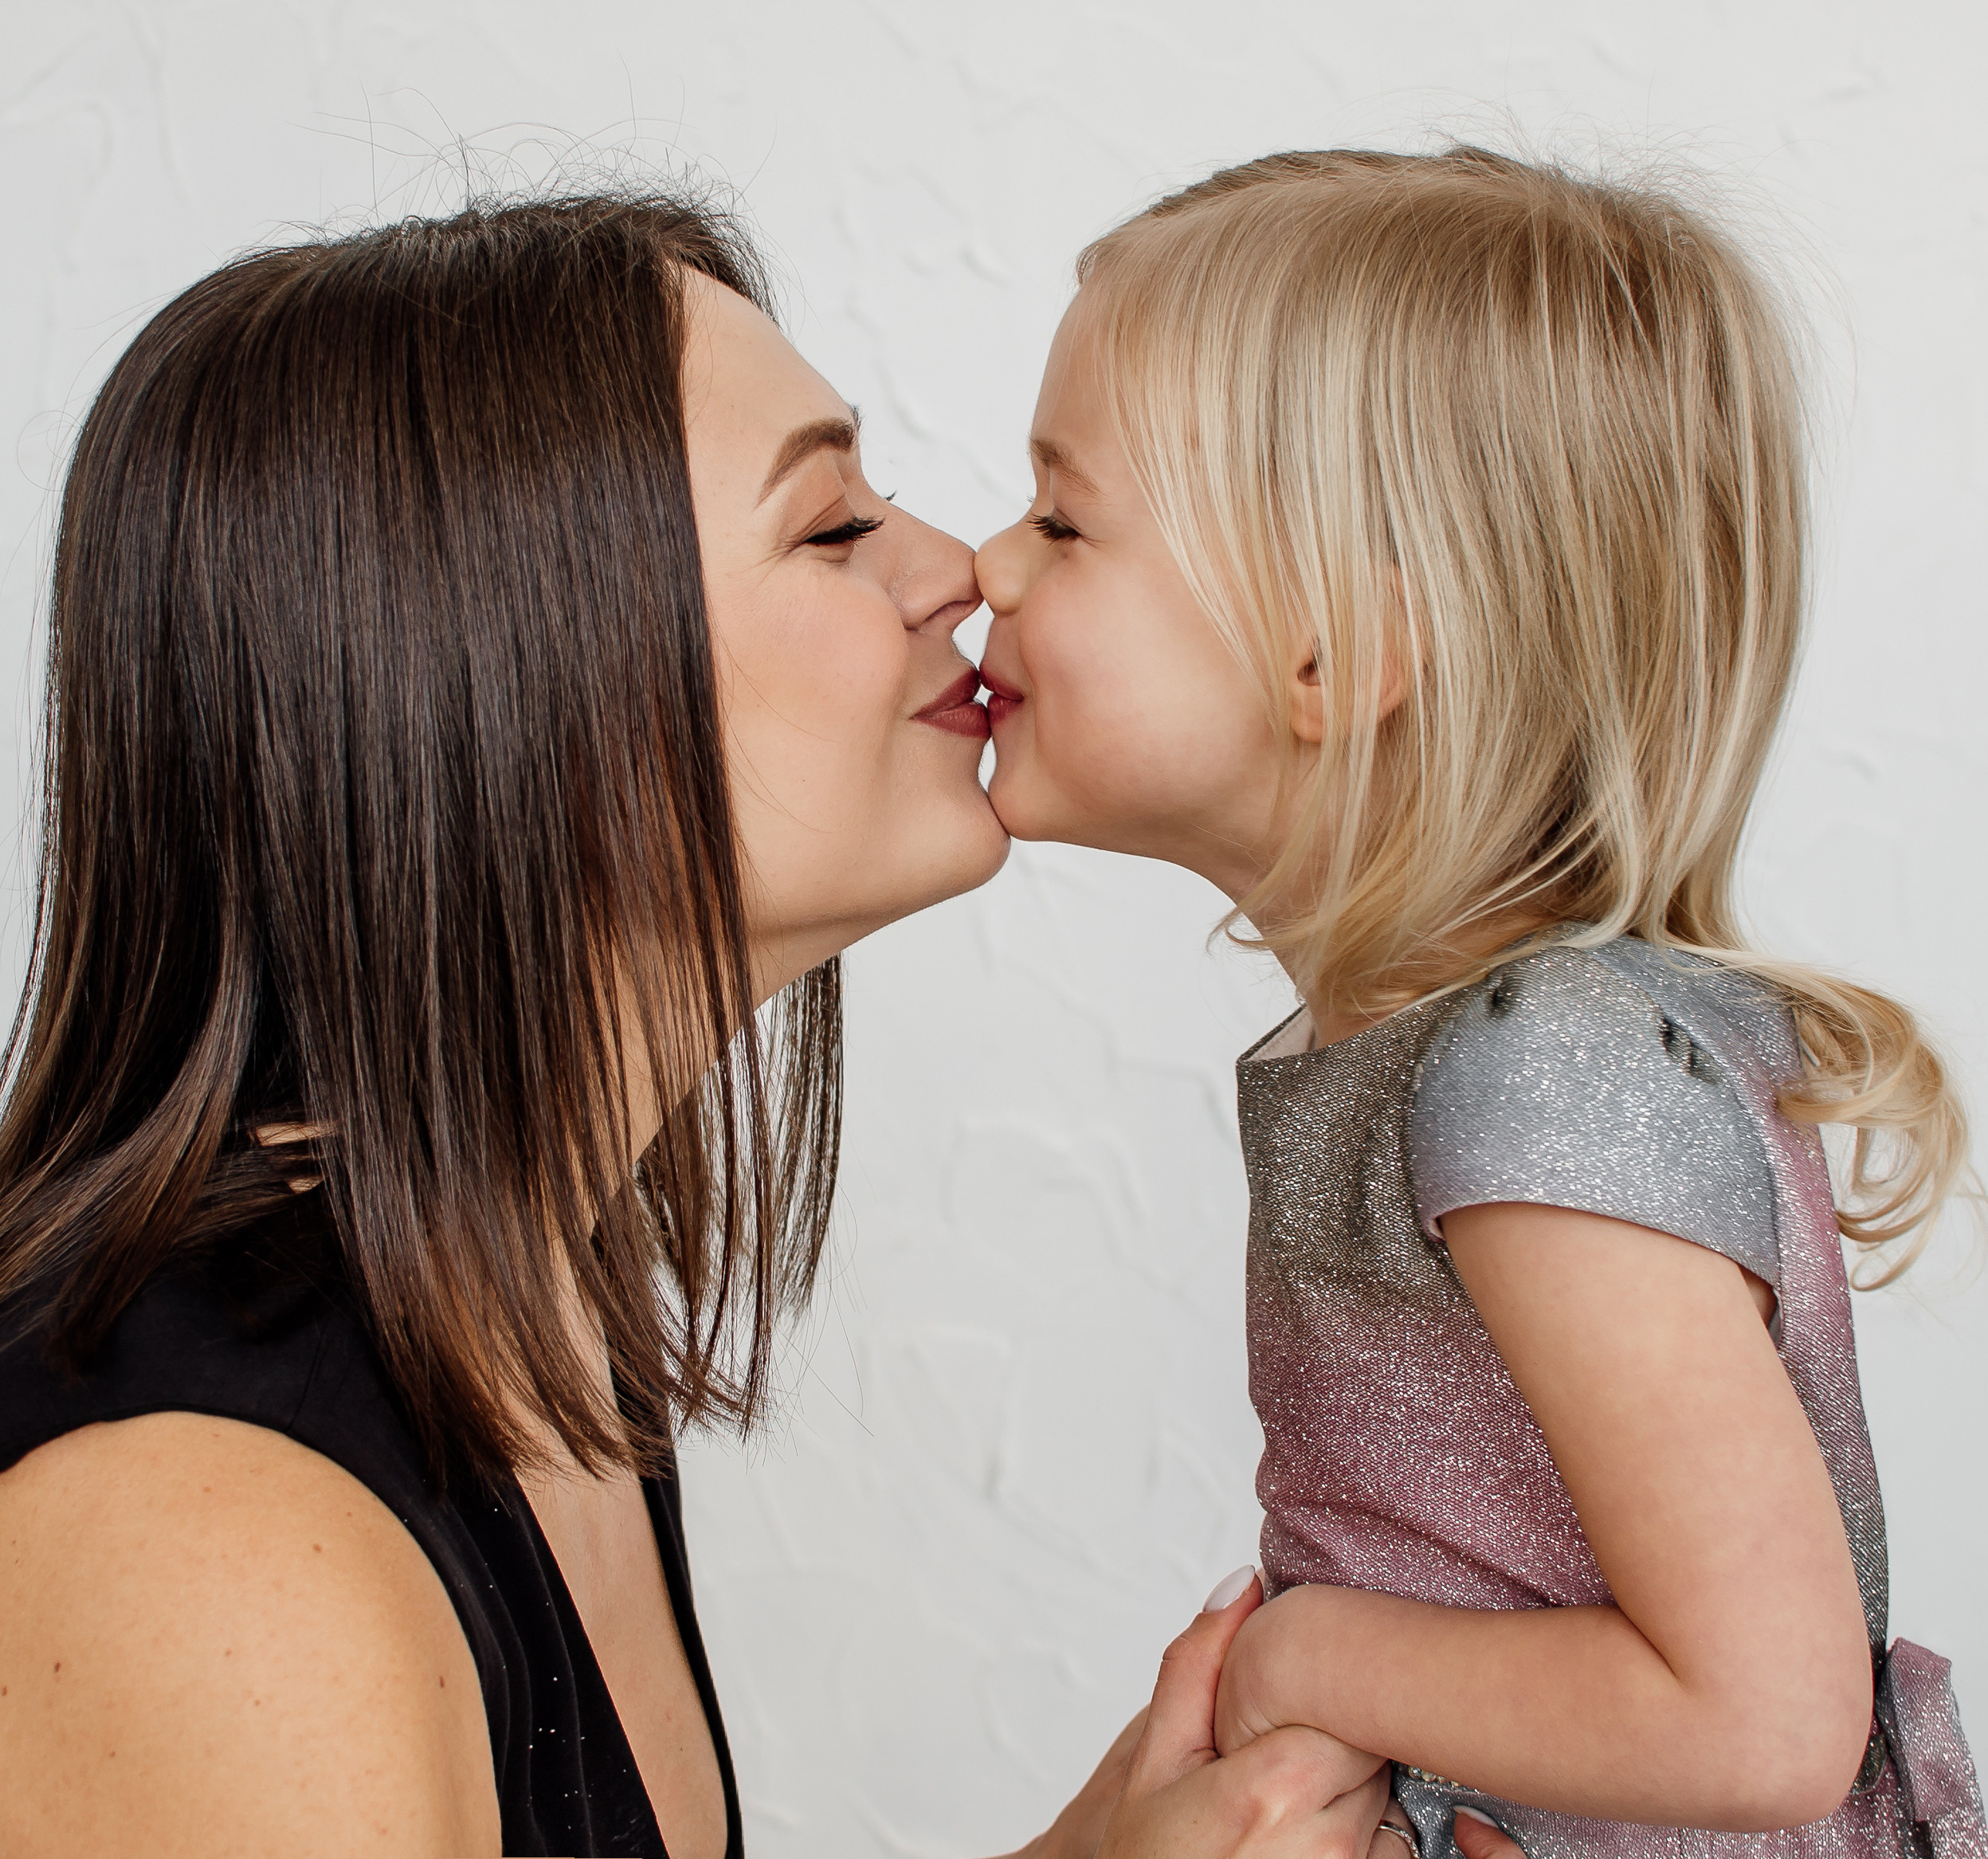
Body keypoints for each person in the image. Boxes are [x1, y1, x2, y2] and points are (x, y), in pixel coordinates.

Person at [0, 190, 1474, 1859]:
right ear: (524, 688)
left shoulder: (514, 1301)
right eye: (836, 525)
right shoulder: (216, 1551)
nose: (959, 569)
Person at [975, 146, 1985, 1859]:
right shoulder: (1425, 1056)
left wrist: (1307, 1655)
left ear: (1334, 660)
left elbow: (1772, 1723)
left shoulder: (1541, 1075)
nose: (990, 562)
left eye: (1064, 519)